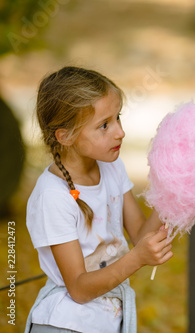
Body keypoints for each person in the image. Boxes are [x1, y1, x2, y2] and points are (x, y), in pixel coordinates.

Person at [25, 66, 173, 333]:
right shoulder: (53, 197)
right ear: (65, 136)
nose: (120, 132)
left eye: (118, 118)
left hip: (105, 321)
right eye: (104, 125)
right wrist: (137, 258)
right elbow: (79, 289)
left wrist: (174, 192)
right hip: (65, 324)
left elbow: (140, 234)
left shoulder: (112, 168)